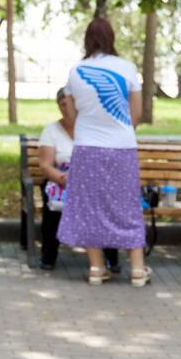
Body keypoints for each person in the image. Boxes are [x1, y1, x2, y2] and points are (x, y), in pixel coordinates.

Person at [57, 17, 149, 287]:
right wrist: (118, 126)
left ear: (87, 39)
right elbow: (137, 114)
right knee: (128, 205)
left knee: (89, 206)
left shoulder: (76, 71)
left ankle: (97, 268)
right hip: (122, 147)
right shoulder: (127, 68)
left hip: (87, 147)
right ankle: (137, 270)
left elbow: (72, 116)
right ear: (112, 38)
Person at [36, 88, 117, 273]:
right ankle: (48, 256)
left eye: (70, 104)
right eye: (62, 104)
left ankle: (111, 258)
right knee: (54, 204)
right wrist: (65, 180)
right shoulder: (51, 130)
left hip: (93, 181)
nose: (66, 108)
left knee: (104, 203)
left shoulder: (93, 129)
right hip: (63, 181)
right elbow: (46, 165)